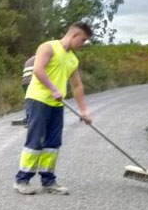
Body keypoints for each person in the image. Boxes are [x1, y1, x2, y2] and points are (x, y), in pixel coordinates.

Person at [14, 22, 94, 195]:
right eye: (83, 40)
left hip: (57, 104)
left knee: (53, 143)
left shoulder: (73, 59)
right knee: (36, 141)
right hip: (38, 100)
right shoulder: (48, 47)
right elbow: (38, 70)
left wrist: (83, 110)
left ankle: (48, 181)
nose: (83, 44)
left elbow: (77, 85)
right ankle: (22, 180)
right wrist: (53, 89)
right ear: (74, 35)